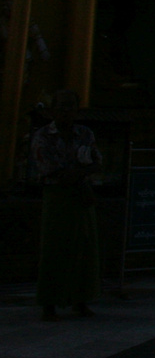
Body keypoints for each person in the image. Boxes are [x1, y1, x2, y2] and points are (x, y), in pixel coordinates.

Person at [31, 90, 100, 321]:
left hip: (82, 197)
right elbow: (52, 169)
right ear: (52, 110)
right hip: (58, 195)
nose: (66, 111)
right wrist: (79, 176)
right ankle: (49, 302)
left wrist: (81, 175)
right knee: (54, 249)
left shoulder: (85, 133)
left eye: (70, 106)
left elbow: (95, 161)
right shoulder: (43, 136)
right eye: (61, 106)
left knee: (84, 247)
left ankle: (80, 300)